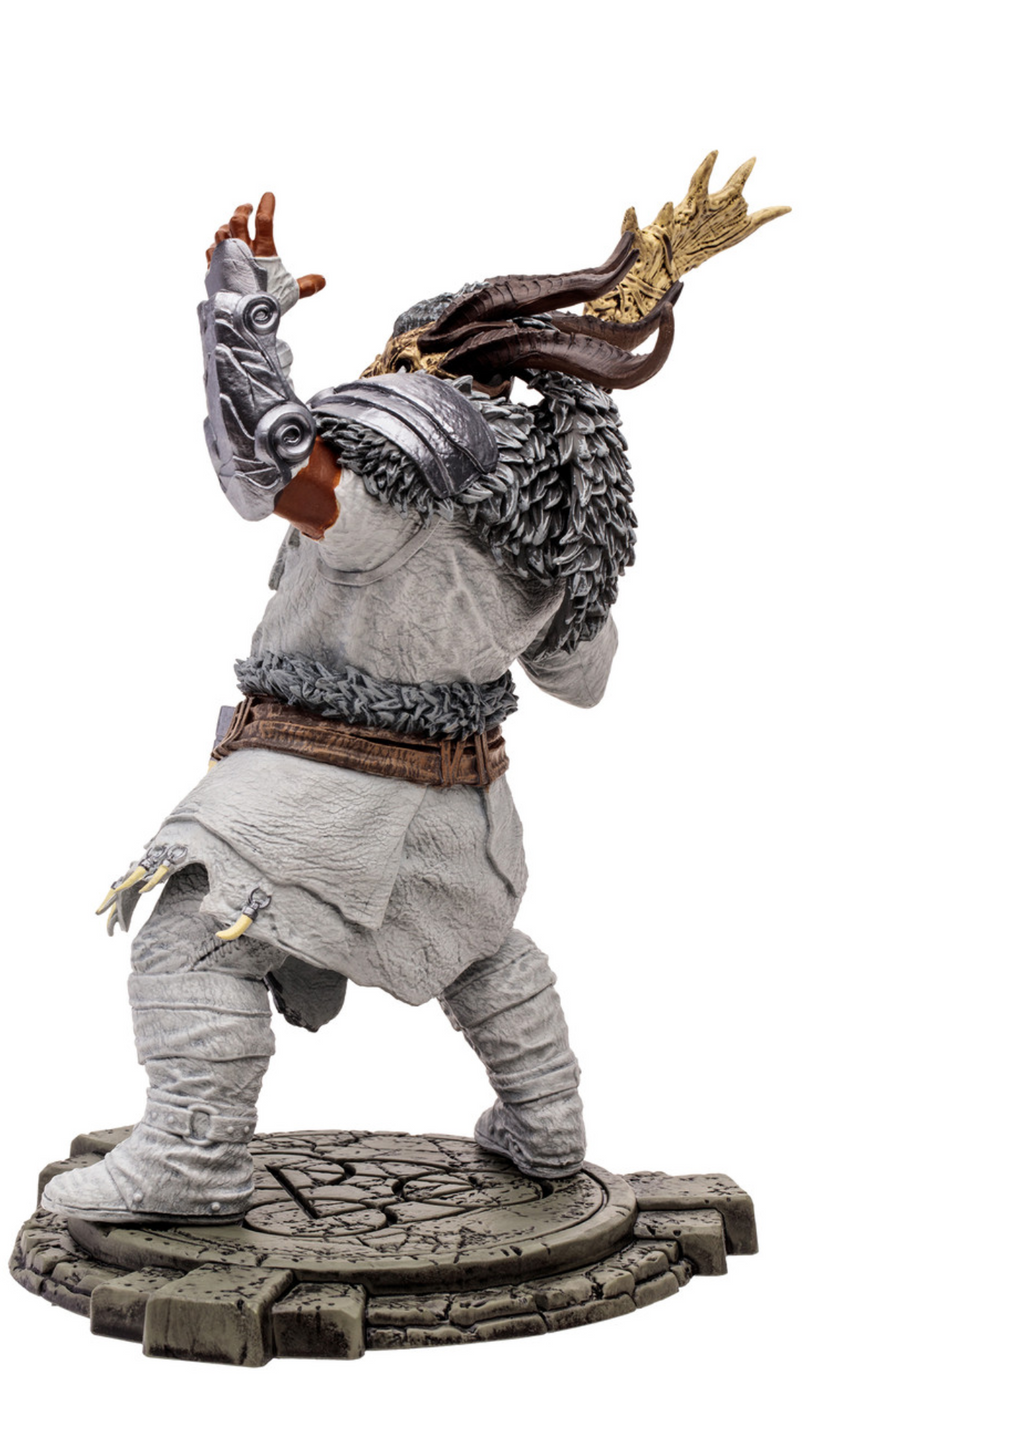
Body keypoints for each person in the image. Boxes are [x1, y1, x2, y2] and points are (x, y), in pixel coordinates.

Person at [41, 187, 709, 1225]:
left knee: (192, 932)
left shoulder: (403, 483)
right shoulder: (551, 532)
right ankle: (546, 1128)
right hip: (463, 808)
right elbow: (582, 677)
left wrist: (239, 329)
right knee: (472, 945)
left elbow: (280, 474)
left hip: (317, 787)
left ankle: (190, 1156)